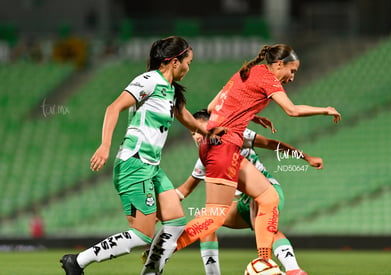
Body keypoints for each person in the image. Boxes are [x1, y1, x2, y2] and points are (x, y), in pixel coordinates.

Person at [172, 44, 341, 266]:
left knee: (262, 200)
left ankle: (263, 261)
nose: (292, 78)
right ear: (279, 64)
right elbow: (292, 110)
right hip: (225, 146)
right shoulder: (268, 79)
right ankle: (167, 245)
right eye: (292, 71)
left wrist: (249, 113)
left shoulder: (247, 72)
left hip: (215, 145)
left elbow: (213, 106)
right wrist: (325, 110)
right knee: (216, 216)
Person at [60, 36, 208, 275]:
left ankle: (150, 272)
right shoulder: (148, 81)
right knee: (142, 235)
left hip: (152, 167)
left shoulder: (171, 91)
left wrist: (213, 131)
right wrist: (104, 146)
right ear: (173, 62)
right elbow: (113, 107)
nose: (189, 68)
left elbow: (187, 119)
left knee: (176, 221)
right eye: (187, 62)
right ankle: (77, 262)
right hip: (134, 163)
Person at [176, 109, 319, 275]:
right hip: (244, 202)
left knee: (264, 225)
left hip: (267, 190)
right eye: (192, 133)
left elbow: (270, 144)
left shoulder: (235, 136)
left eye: (198, 129)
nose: (196, 136)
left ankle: (293, 270)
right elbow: (185, 189)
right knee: (206, 220)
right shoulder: (205, 159)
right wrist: (163, 207)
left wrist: (306, 157)